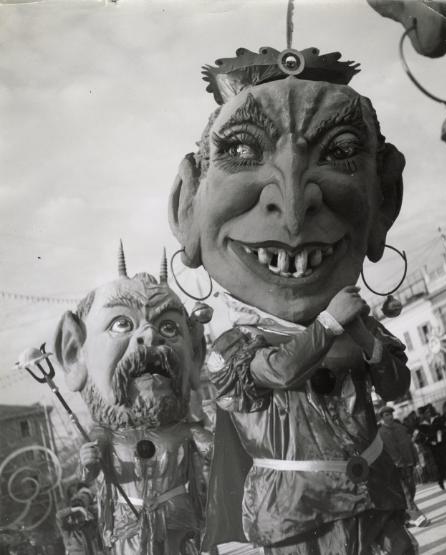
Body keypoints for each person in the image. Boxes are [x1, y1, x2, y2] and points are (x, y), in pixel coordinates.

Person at [169, 42, 416, 553]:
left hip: (375, 506)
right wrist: (328, 325)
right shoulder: (232, 349)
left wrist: (363, 333)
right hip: (293, 518)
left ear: (385, 196)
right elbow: (275, 374)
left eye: (341, 152)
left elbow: (395, 384)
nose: (294, 205)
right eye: (240, 151)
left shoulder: (359, 322)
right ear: (187, 207)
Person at [53, 247, 212, 555]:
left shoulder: (186, 430)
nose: (150, 337)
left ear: (195, 355)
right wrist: (87, 465)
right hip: (129, 534)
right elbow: (87, 476)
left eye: (168, 327)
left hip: (181, 530)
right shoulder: (104, 437)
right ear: (74, 355)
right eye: (121, 324)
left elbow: (219, 457)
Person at [378, 406, 429, 527]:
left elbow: (410, 445)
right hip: (395, 467)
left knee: (411, 490)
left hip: (409, 464)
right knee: (405, 493)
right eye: (386, 415)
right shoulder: (380, 433)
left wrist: (416, 460)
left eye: (391, 414)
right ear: (382, 418)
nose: (390, 417)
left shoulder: (401, 428)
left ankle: (404, 519)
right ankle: (419, 518)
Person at [416, 404, 446, 490]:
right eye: (426, 412)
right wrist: (428, 441)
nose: (429, 414)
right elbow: (419, 439)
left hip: (444, 445)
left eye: (429, 412)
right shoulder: (422, 426)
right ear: (423, 415)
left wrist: (442, 432)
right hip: (434, 449)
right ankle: (440, 480)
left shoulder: (437, 419)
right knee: (441, 467)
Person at [56, 483, 103, 555]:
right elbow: (58, 516)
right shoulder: (68, 531)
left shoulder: (88, 525)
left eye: (79, 517)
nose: (76, 520)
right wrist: (79, 508)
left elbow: (98, 539)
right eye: (74, 517)